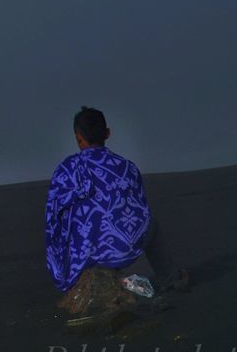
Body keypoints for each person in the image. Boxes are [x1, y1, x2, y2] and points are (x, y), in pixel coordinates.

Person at [45, 106, 188, 293]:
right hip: (129, 245)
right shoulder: (129, 167)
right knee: (150, 221)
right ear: (107, 133)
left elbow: (53, 215)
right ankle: (170, 277)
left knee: (69, 218)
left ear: (78, 137)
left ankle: (107, 279)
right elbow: (141, 208)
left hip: (88, 253)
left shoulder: (68, 169)